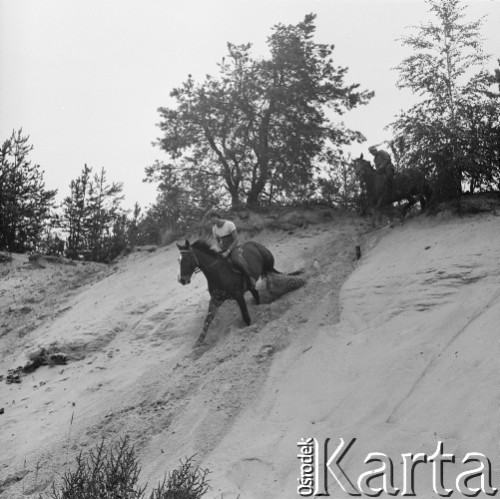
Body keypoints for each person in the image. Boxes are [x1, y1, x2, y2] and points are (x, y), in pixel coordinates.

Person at [206, 210, 257, 290]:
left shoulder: (229, 224)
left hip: (233, 247)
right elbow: (217, 241)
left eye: (212, 218)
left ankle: (250, 279)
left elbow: (236, 239)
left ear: (216, 216)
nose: (211, 220)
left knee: (236, 261)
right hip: (223, 249)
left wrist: (228, 251)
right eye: (209, 219)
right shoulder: (214, 229)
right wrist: (219, 249)